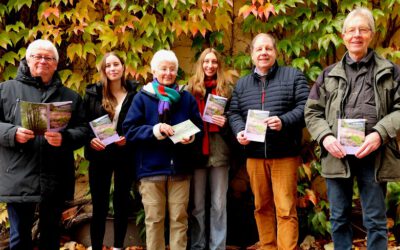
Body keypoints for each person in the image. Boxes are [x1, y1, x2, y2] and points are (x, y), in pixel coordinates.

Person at [304, 7, 400, 249]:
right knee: (338, 218)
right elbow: (312, 111)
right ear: (343, 35)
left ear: (372, 34)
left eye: (363, 29)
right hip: (337, 155)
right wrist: (325, 137)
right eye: (351, 30)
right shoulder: (327, 75)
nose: (356, 34)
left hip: (375, 155)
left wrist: (380, 134)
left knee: (376, 220)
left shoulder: (391, 72)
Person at [0, 39, 88, 249]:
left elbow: (85, 130)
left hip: (55, 177)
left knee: (51, 236)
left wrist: (65, 138)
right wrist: (12, 133)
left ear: (56, 64)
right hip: (19, 174)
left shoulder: (70, 96)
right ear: (27, 60)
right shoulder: (6, 90)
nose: (42, 61)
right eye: (37, 56)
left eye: (48, 58)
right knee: (19, 238)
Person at [228, 33, 309, 250]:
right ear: (252, 55)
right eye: (259, 49)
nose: (263, 53)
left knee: (285, 208)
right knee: (261, 207)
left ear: (275, 52)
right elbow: (234, 113)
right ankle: (268, 246)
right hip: (254, 156)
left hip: (284, 155)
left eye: (268, 48)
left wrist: (283, 121)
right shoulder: (243, 84)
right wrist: (238, 132)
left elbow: (306, 108)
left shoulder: (293, 76)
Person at [123, 49, 203, 250]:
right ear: (153, 71)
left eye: (172, 69)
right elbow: (129, 130)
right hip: (150, 169)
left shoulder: (186, 98)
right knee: (155, 221)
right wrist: (155, 130)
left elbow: (199, 127)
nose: (168, 73)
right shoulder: (142, 98)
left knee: (179, 219)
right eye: (163, 68)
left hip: (180, 169)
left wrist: (191, 136)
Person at [83, 52, 138, 250]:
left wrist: (129, 141)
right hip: (100, 154)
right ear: (103, 70)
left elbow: (139, 123)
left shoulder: (135, 94)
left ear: (123, 67)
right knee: (99, 205)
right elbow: (83, 124)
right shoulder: (92, 94)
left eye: (116, 64)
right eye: (108, 65)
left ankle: (117, 246)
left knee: (122, 203)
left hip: (124, 155)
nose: (113, 68)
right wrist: (90, 140)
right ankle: (97, 246)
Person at [187, 48, 233, 250]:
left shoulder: (228, 90)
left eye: (214, 62)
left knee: (219, 205)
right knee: (197, 206)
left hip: (220, 152)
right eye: (206, 61)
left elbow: (237, 118)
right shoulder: (189, 89)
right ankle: (198, 245)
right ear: (200, 64)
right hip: (196, 153)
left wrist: (226, 121)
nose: (210, 65)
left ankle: (217, 246)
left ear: (219, 65)